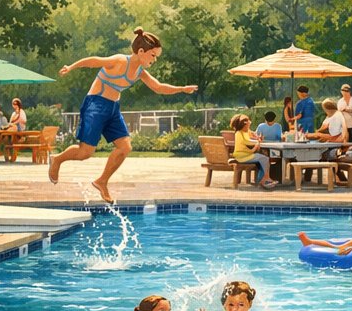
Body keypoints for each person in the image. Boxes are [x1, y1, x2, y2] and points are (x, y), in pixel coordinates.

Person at [50, 28, 198, 204]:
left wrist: (182, 89)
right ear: (141, 51)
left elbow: (158, 87)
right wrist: (71, 67)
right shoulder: (120, 61)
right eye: (153, 55)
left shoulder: (139, 71)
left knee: (125, 147)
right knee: (85, 153)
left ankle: (102, 181)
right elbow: (94, 61)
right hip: (95, 105)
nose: (155, 60)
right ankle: (57, 160)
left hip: (112, 108)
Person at [229, 114, 280, 189]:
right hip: (242, 156)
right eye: (247, 125)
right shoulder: (239, 133)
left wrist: (256, 137)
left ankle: (263, 179)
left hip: (247, 154)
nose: (248, 127)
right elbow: (246, 141)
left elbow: (252, 134)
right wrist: (256, 142)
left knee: (264, 158)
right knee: (264, 159)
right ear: (242, 125)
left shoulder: (245, 132)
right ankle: (264, 180)